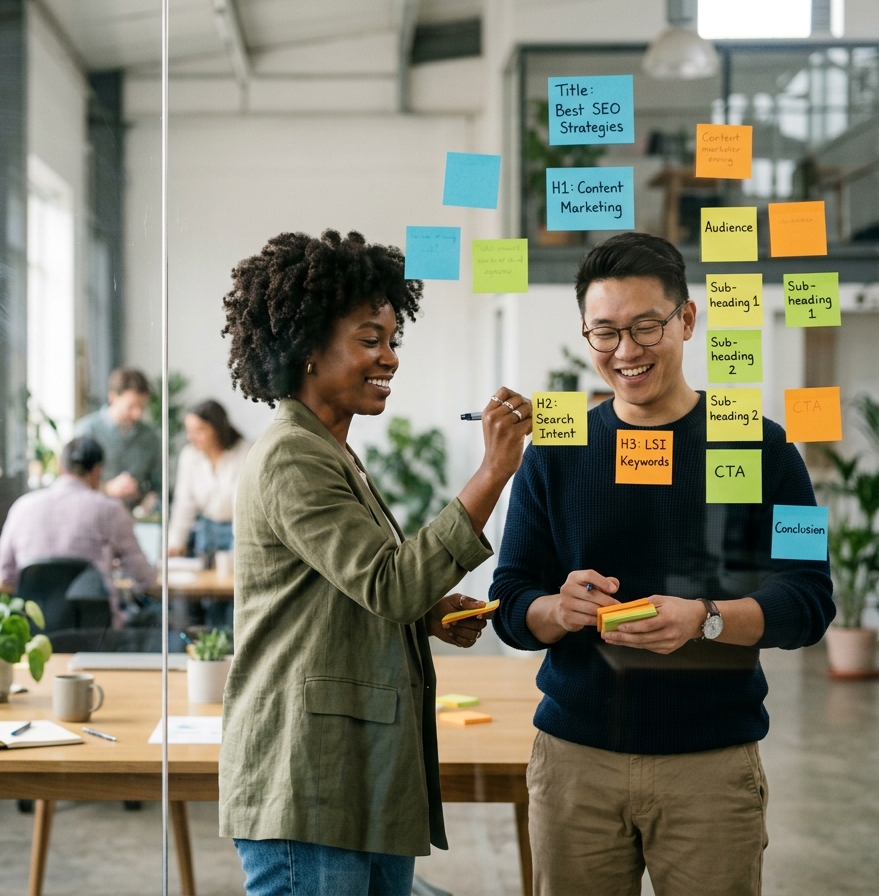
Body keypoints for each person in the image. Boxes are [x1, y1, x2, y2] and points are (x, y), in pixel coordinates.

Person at [489, 232, 834, 896]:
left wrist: (705, 620)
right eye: (605, 332)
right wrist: (557, 610)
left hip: (710, 766)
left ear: (686, 320)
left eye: (646, 326)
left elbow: (810, 600)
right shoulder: (556, 453)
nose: (626, 352)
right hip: (575, 765)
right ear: (586, 335)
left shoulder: (765, 448)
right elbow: (509, 598)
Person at [218, 229, 533, 896]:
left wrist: (425, 614)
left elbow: (352, 591)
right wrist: (493, 471)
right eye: (370, 339)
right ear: (306, 347)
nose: (389, 357)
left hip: (354, 778)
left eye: (393, 340)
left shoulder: (331, 453)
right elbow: (389, 585)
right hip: (309, 782)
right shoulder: (292, 456)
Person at [0, 437, 156, 626]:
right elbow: (144, 577)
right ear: (97, 471)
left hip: (35, 632)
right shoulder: (111, 510)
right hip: (95, 634)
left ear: (60, 467)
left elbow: (5, 573)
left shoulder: (22, 507)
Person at [167, 399, 251, 558]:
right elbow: (184, 504)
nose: (191, 437)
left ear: (218, 429)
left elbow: (241, 505)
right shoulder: (189, 456)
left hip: (238, 528)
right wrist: (175, 544)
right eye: (189, 430)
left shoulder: (243, 452)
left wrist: (241, 546)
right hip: (207, 528)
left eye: (199, 430)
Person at [73, 367, 162, 509]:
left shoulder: (150, 437)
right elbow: (73, 485)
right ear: (113, 397)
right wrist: (107, 489)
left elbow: (159, 486)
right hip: (93, 517)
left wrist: (150, 499)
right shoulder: (86, 431)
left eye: (142, 407)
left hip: (136, 521)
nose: (137, 414)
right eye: (131, 406)